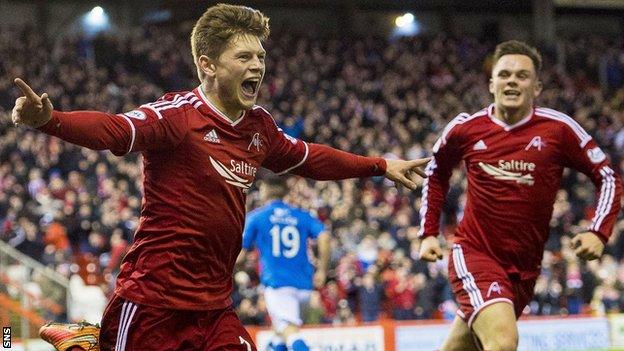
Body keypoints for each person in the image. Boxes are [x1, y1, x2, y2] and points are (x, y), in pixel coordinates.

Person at [13, 4, 429, 351]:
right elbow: (115, 130)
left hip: (214, 308)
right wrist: (50, 120)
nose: (258, 66)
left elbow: (309, 158)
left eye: (261, 57)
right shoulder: (177, 116)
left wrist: (380, 165)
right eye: (244, 57)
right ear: (207, 65)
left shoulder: (259, 127)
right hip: (153, 303)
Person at [418, 40, 622, 351]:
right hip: (475, 253)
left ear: (536, 87)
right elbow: (435, 174)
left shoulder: (559, 130)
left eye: (522, 75)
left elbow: (607, 176)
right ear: (491, 84)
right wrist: (429, 233)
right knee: (502, 342)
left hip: (525, 267)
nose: (512, 80)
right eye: (504, 74)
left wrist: (599, 232)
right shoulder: (466, 129)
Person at [236, 176, 329, 351]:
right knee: (279, 334)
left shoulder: (257, 217)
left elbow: (240, 255)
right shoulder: (301, 215)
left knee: (290, 332)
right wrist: (322, 270)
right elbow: (324, 237)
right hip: (305, 287)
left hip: (278, 285)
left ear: (266, 190)